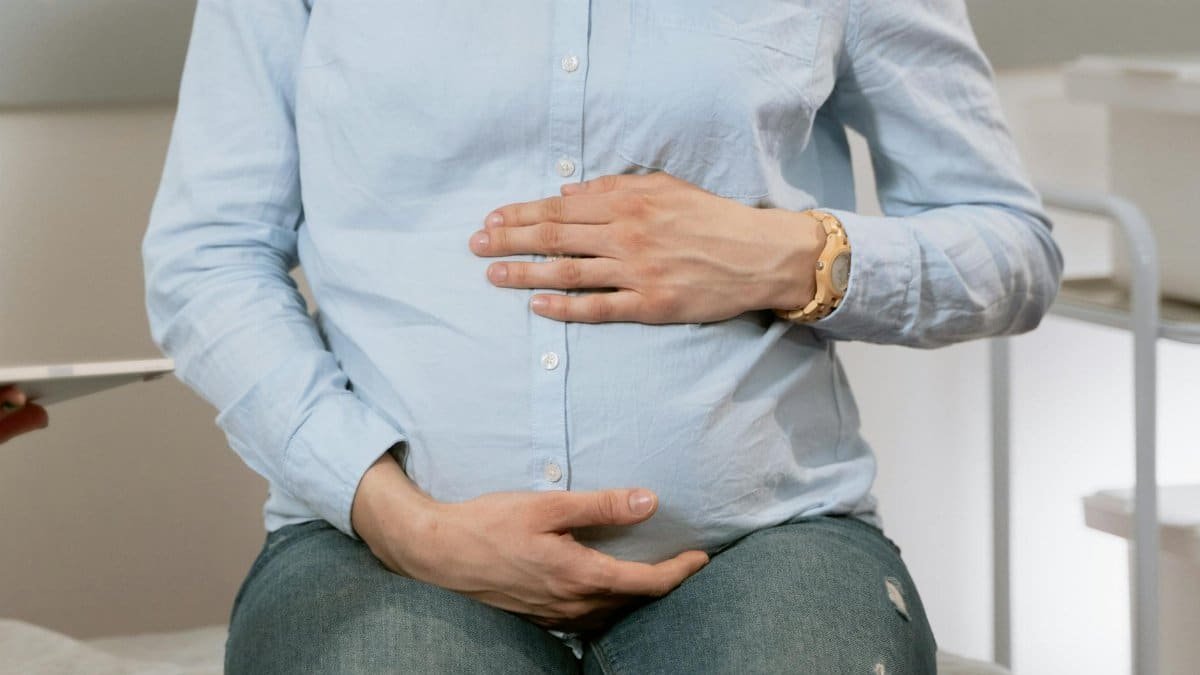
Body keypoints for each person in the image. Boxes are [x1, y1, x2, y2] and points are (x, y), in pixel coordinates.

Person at [143, 1, 1062, 672]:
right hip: (377, 548)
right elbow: (208, 256)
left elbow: (1011, 248)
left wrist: (789, 255)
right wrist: (403, 521)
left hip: (764, 541)